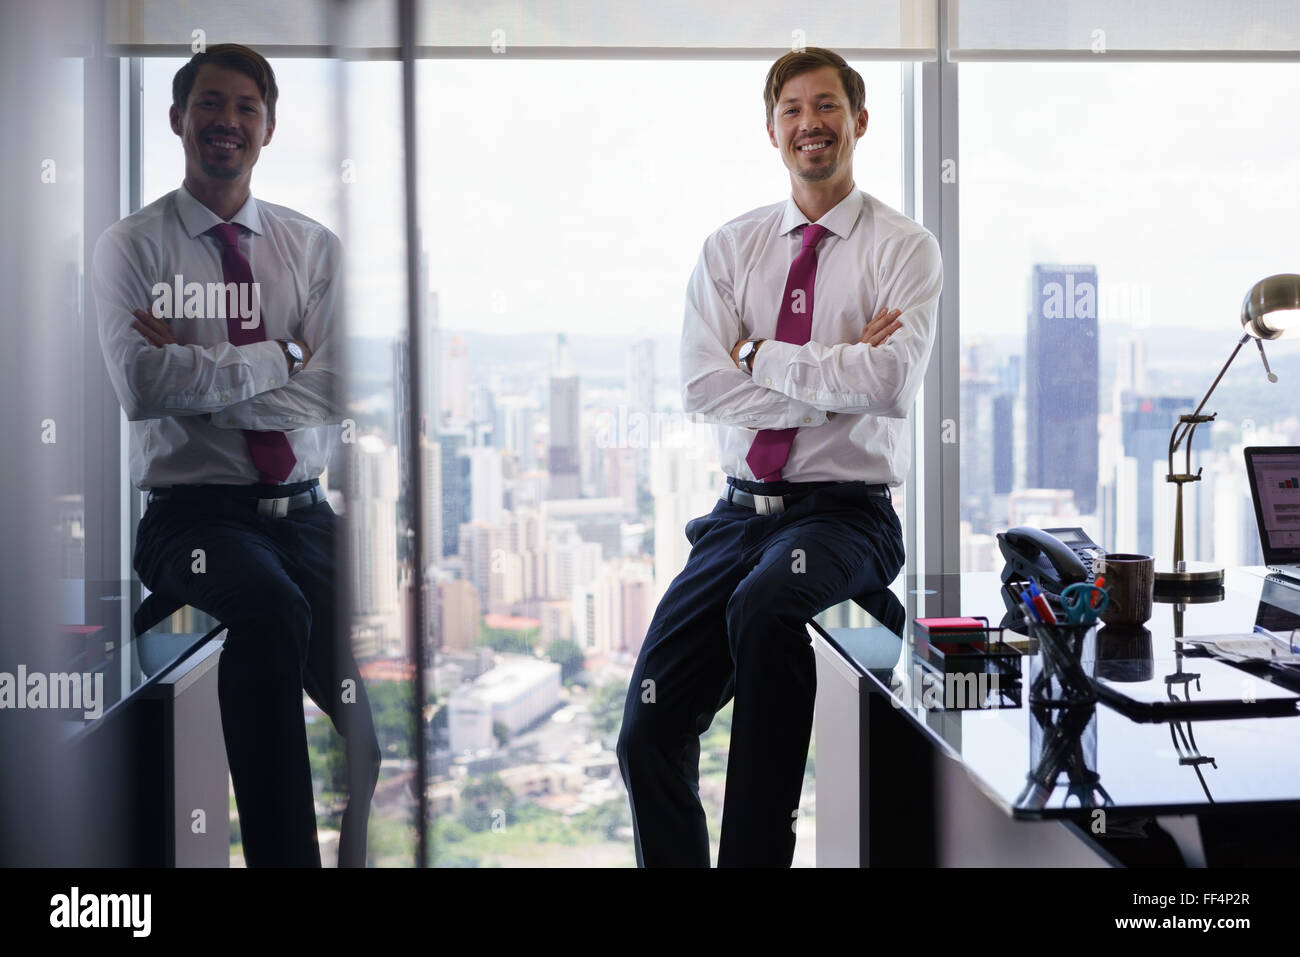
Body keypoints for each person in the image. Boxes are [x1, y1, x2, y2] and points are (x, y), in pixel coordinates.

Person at [616, 47, 942, 867]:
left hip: (846, 514)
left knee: (767, 608)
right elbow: (704, 385)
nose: (810, 124)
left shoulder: (904, 249)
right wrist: (836, 374)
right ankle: (866, 626)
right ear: (771, 129)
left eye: (827, 106)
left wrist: (758, 352)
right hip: (736, 516)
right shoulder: (732, 249)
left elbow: (892, 381)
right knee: (647, 732)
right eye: (792, 110)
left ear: (859, 122)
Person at [93, 43, 380, 867]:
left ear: (270, 126)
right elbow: (144, 386)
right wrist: (281, 355)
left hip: (305, 516)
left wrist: (203, 368)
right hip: (194, 516)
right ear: (177, 118)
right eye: (210, 104)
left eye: (246, 107)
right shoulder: (133, 247)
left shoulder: (312, 248)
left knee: (364, 744)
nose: (228, 121)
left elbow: (329, 395)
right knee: (269, 608)